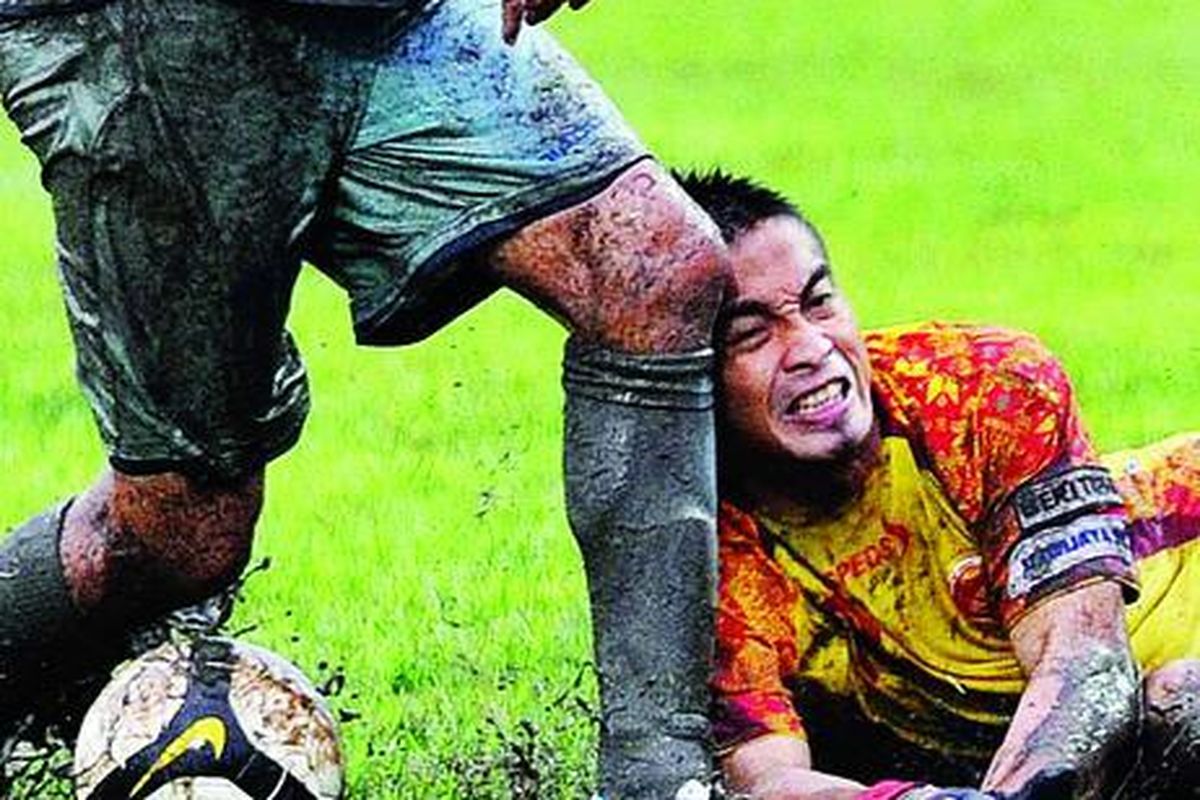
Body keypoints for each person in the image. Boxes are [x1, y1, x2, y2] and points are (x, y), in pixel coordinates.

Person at [0, 2, 729, 797]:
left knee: (654, 267)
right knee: (183, 532)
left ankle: (659, 774)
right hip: (148, 37)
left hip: (383, 16)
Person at [672, 169, 1200, 799]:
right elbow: (768, 782)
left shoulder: (982, 390)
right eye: (751, 334)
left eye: (820, 303)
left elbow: (1086, 663)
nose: (812, 347)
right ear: (685, 375)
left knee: (1181, 707)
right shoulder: (706, 549)